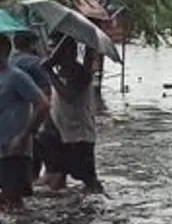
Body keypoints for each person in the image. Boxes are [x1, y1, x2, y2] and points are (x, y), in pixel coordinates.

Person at [41, 40, 103, 193]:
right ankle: (65, 209)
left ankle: (100, 207)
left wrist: (49, 72)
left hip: (79, 136)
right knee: (57, 175)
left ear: (71, 53)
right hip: (61, 133)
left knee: (89, 180)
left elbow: (69, 96)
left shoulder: (81, 73)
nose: (52, 55)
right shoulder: (62, 72)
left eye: (56, 52)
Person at [0, 35, 50, 211]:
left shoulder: (17, 77)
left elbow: (43, 104)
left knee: (14, 202)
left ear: (3, 51)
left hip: (14, 150)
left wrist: (25, 135)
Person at [9, 32, 54, 182]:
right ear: (32, 44)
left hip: (11, 121)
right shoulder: (36, 63)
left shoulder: (10, 63)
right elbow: (46, 91)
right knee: (33, 155)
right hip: (32, 115)